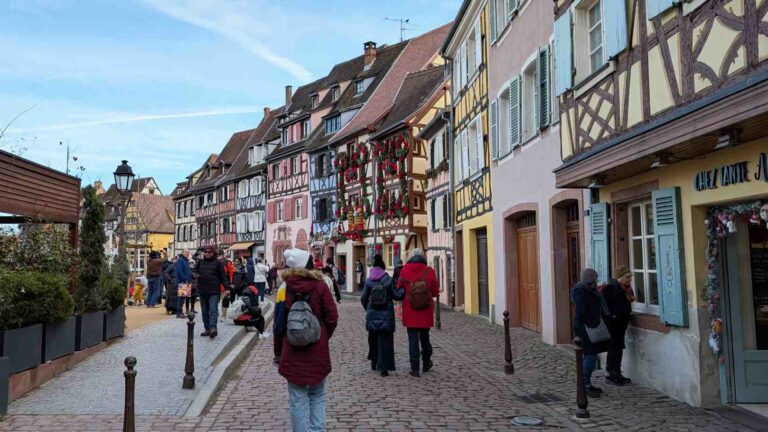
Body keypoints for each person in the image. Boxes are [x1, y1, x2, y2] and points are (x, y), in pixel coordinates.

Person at [273, 249, 338, 432]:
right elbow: (332, 317)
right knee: (317, 394)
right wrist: (323, 337)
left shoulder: (284, 288)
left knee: (296, 398)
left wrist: (278, 352)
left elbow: (278, 326)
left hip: (291, 349)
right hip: (317, 350)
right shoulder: (320, 286)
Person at [394, 248, 438, 378]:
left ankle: (414, 369)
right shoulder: (429, 271)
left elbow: (399, 288)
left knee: (412, 339)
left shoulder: (405, 270)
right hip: (425, 309)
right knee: (425, 337)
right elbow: (435, 292)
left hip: (410, 309)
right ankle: (426, 362)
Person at [571, 268, 610, 398]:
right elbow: (581, 313)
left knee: (590, 356)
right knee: (590, 356)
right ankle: (585, 384)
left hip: (590, 326)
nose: (596, 281)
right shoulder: (582, 292)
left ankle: (586, 383)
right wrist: (590, 323)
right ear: (591, 280)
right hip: (585, 328)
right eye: (595, 279)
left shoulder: (589, 290)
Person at [360, 254, 399, 377]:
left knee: (373, 338)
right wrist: (404, 291)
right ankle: (384, 368)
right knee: (385, 341)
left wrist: (369, 309)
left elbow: (363, 298)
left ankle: (374, 362)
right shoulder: (387, 279)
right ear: (383, 267)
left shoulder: (369, 280)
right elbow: (396, 295)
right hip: (386, 315)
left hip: (372, 314)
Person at [601, 265, 635, 386]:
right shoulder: (610, 288)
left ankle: (617, 372)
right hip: (612, 324)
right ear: (620, 277)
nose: (630, 279)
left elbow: (629, 301)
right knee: (613, 348)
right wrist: (612, 316)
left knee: (619, 347)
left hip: (622, 322)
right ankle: (610, 373)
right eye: (627, 277)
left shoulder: (626, 288)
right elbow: (604, 306)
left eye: (630, 277)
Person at [197, 246, 229, 338]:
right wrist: (193, 275)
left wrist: (227, 288)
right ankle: (207, 329)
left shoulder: (218, 263)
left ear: (213, 253)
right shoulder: (200, 262)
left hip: (214, 291)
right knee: (204, 311)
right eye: (206, 252)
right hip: (202, 290)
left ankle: (213, 328)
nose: (207, 253)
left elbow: (223, 277)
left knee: (213, 310)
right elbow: (194, 271)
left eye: (209, 252)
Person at [175, 250, 193, 318]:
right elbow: (179, 272)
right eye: (186, 252)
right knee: (181, 298)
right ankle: (179, 313)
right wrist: (185, 279)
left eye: (188, 252)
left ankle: (180, 312)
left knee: (183, 298)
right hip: (183, 281)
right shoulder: (180, 260)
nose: (187, 253)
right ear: (183, 253)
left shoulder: (185, 260)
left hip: (186, 281)